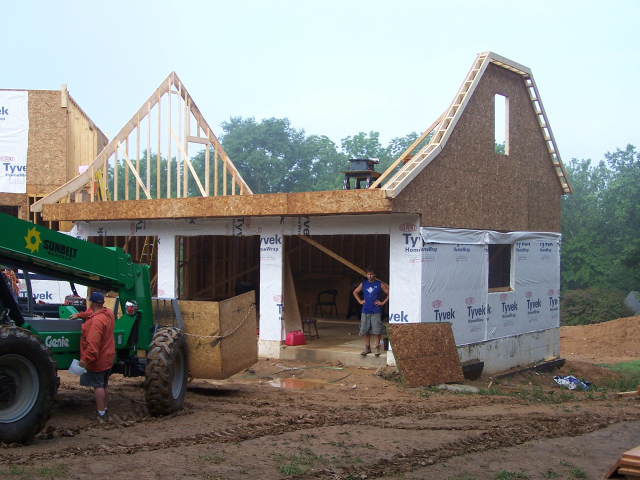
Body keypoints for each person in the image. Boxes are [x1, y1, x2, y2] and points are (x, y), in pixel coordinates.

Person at [70, 291, 115, 422]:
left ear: (91, 303)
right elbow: (91, 313)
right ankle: (104, 410)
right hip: (108, 357)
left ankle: (101, 414)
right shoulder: (108, 313)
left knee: (98, 386)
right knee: (104, 384)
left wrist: (84, 359)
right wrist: (79, 315)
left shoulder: (96, 322)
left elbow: (93, 346)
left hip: (98, 360)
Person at [352, 266, 389, 357]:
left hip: (376, 310)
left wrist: (383, 302)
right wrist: (360, 301)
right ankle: (367, 347)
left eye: (371, 274)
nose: (369, 276)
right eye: (368, 274)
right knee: (365, 330)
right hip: (365, 310)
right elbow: (355, 292)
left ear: (375, 275)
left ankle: (377, 347)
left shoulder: (379, 284)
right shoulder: (363, 284)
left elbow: (389, 292)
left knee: (377, 330)